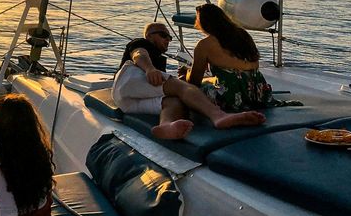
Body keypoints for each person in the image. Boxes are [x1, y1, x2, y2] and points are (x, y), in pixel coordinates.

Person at [112, 22, 266, 139]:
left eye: (170, 37)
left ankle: (166, 126)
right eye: (163, 35)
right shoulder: (142, 44)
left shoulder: (158, 60)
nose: (168, 40)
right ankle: (219, 116)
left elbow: (160, 87)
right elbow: (139, 54)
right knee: (184, 87)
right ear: (150, 35)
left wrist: (176, 80)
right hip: (129, 77)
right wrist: (150, 69)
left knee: (174, 100)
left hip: (127, 102)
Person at [185, 3, 301, 111]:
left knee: (192, 90)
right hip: (258, 93)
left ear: (203, 23)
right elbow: (252, 63)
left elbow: (194, 81)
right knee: (211, 81)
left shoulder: (204, 45)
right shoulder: (242, 34)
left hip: (231, 97)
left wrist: (186, 74)